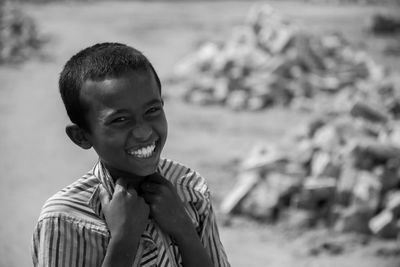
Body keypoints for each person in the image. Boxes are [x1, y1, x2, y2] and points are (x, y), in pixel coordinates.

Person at [31, 42, 230, 267]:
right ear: (81, 136)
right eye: (120, 120)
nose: (144, 132)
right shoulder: (64, 219)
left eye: (152, 110)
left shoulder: (190, 189)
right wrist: (124, 239)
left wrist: (184, 230)